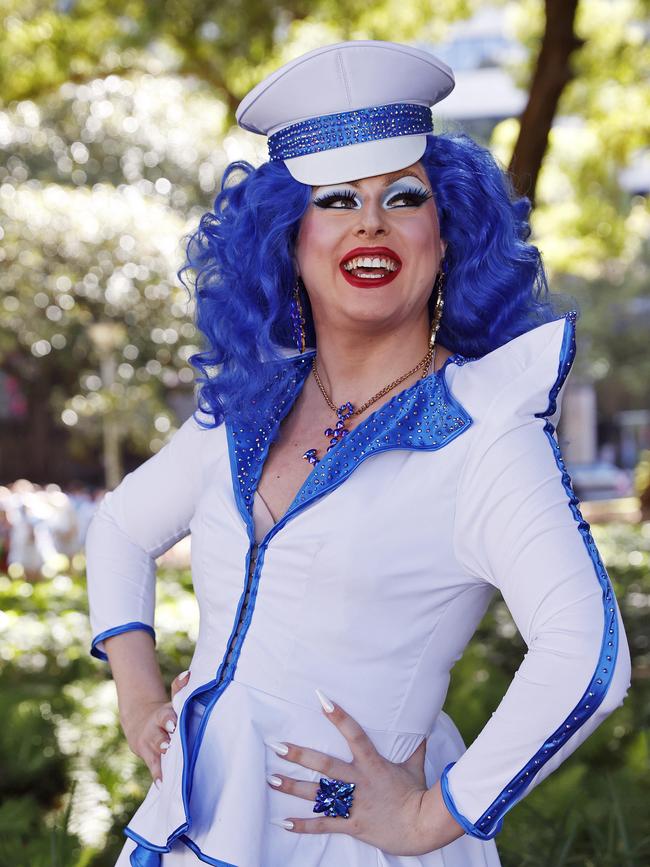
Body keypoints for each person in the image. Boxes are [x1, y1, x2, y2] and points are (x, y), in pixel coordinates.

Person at [85, 40, 632, 867]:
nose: (370, 220)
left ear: (446, 238)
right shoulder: (244, 409)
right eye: (336, 198)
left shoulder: (484, 430)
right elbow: (120, 528)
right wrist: (138, 697)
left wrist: (429, 815)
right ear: (290, 240)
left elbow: (588, 653)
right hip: (186, 833)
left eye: (403, 196)